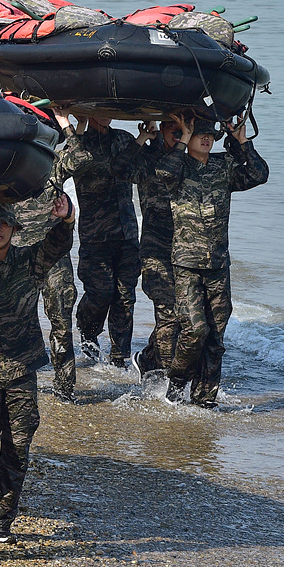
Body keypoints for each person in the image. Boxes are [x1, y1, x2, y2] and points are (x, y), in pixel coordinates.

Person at [0, 195, 75, 544]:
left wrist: (67, 219)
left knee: (17, 448)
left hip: (21, 368)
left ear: (15, 230)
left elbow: (57, 245)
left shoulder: (29, 261)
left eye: (5, 225)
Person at [155, 115, 269, 407]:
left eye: (210, 134)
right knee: (195, 330)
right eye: (199, 134)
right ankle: (177, 383)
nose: (206, 138)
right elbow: (163, 174)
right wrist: (183, 139)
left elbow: (258, 174)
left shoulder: (223, 166)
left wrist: (241, 142)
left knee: (216, 338)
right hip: (187, 264)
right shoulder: (177, 166)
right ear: (188, 135)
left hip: (218, 264)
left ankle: (205, 400)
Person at [8, 107, 93, 403]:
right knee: (14, 321)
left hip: (52, 252)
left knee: (61, 323)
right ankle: (15, 382)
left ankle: (65, 391)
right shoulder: (6, 162)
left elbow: (82, 158)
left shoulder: (51, 165)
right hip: (16, 254)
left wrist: (66, 125)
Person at [112, 119, 185, 379]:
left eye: (183, 131)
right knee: (167, 315)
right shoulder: (147, 159)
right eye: (173, 130)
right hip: (156, 250)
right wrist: (142, 138)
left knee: (184, 318)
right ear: (162, 130)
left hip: (188, 252)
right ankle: (168, 381)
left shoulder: (191, 159)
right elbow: (119, 169)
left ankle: (149, 358)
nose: (179, 136)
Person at [72, 117, 141, 368]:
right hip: (96, 234)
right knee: (100, 293)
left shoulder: (124, 138)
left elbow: (137, 170)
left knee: (125, 296)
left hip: (127, 232)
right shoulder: (81, 143)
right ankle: (88, 333)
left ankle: (120, 356)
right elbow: (73, 166)